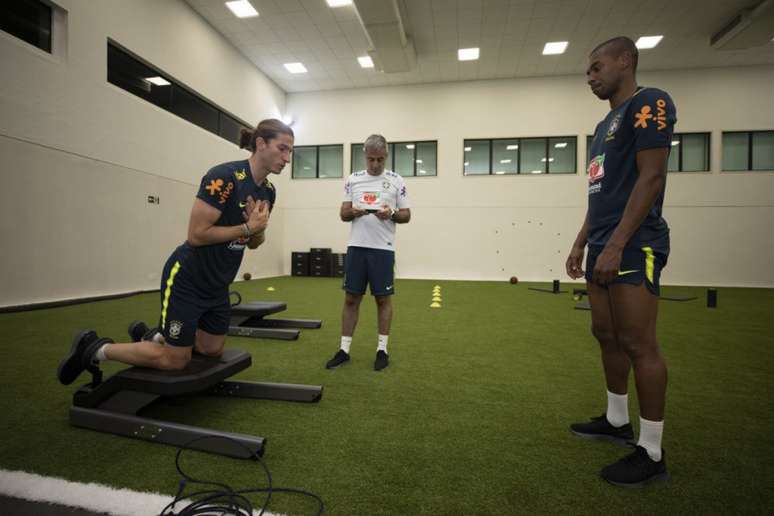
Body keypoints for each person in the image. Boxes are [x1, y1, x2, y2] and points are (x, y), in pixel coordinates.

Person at [57, 119, 293, 384]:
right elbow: (196, 235)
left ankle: (157, 337)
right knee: (175, 360)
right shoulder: (224, 177)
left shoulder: (269, 192)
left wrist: (256, 230)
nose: (287, 158)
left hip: (218, 285)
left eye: (290, 152)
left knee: (211, 350)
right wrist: (247, 227)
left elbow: (254, 241)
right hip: (188, 278)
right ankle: (95, 349)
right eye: (282, 149)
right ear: (261, 144)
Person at [565, 36, 676, 487]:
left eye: (597, 67)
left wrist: (616, 244)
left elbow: (651, 178)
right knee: (606, 334)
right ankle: (616, 421)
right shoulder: (601, 127)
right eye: (588, 72)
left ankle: (651, 452)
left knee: (638, 343)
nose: (591, 77)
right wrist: (581, 243)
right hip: (603, 243)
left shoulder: (649, 103)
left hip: (634, 243)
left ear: (625, 61)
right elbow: (600, 195)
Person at [325, 134, 411, 371]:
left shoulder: (396, 181)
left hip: (383, 250)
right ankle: (344, 350)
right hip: (357, 247)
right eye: (371, 159)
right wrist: (354, 212)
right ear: (364, 155)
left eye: (380, 159)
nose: (375, 164)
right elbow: (343, 214)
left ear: (386, 156)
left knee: (383, 299)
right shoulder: (353, 180)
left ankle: (382, 350)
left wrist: (391, 214)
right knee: (351, 299)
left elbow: (406, 215)